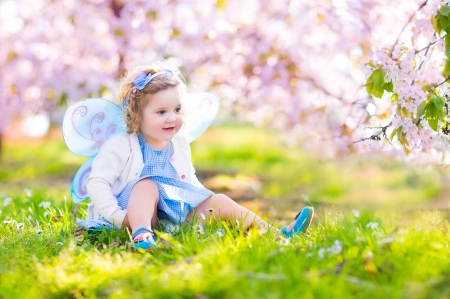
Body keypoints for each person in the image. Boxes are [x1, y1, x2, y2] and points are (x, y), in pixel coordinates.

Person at [83, 61, 314, 249]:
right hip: (132, 215)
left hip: (170, 216)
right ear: (137, 115)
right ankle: (141, 236)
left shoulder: (180, 143)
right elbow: (97, 182)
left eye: (176, 110)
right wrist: (117, 216)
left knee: (220, 201)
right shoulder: (123, 145)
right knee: (147, 185)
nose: (172, 118)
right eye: (161, 112)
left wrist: (207, 204)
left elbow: (189, 182)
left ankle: (278, 236)